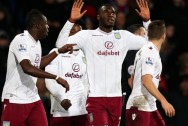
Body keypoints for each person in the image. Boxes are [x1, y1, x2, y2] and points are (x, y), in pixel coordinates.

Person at [65, 0, 151, 125]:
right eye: (107, 11)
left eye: (113, 12)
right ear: (98, 16)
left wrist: (147, 22)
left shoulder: (123, 37)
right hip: (95, 97)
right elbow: (60, 44)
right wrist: (70, 21)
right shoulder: (87, 36)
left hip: (116, 97)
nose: (111, 14)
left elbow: (150, 44)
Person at [0, 9, 76, 126]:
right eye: (45, 24)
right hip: (15, 99)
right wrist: (55, 77)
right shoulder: (21, 40)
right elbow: (27, 68)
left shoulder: (37, 43)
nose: (48, 27)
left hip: (33, 98)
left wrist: (58, 51)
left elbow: (36, 64)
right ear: (36, 26)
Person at [45, 0, 88, 126]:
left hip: (81, 111)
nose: (75, 36)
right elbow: (49, 80)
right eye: (72, 32)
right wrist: (61, 98)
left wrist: (85, 101)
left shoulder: (84, 56)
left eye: (78, 33)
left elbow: (86, 82)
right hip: (61, 110)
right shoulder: (56, 52)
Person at [126, 20, 175, 126]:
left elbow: (134, 78)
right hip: (140, 105)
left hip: (149, 105)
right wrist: (163, 100)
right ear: (164, 36)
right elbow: (146, 80)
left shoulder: (146, 50)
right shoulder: (150, 52)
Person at [120, 24, 146, 126]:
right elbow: (131, 80)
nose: (146, 38)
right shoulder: (131, 53)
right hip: (128, 97)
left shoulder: (137, 53)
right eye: (144, 34)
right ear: (135, 36)